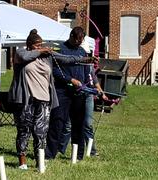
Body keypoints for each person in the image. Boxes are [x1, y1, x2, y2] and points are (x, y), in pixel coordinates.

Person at [8, 29, 95, 170]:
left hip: (44, 99)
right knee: (24, 130)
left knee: (41, 131)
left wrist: (85, 59)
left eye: (41, 44)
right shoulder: (21, 53)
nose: (40, 47)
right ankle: (22, 161)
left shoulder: (47, 56)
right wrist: (40, 51)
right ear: (29, 45)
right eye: (37, 45)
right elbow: (25, 57)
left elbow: (66, 59)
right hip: (26, 99)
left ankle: (39, 160)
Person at [45, 26, 107, 160]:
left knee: (78, 124)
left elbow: (88, 72)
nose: (80, 42)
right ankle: (50, 155)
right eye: (78, 39)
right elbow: (54, 71)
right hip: (62, 91)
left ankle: (78, 155)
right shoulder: (60, 50)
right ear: (71, 36)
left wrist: (91, 87)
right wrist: (71, 80)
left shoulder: (82, 52)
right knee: (58, 122)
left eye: (82, 40)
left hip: (79, 93)